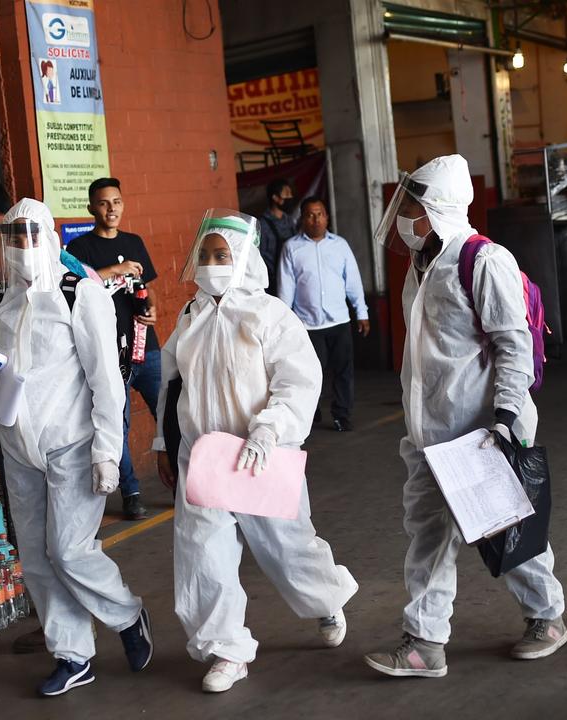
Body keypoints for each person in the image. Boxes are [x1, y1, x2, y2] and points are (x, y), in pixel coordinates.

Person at [365, 154, 567, 679]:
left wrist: (503, 419)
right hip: (431, 430)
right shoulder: (423, 263)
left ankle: (547, 616)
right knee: (429, 536)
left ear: (436, 208)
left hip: (482, 429)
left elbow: (513, 344)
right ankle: (424, 643)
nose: (403, 213)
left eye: (412, 203)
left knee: (506, 531)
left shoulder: (483, 260)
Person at [154, 209, 358, 693]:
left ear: (244, 258)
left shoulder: (270, 315)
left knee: (289, 549)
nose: (210, 263)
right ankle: (227, 650)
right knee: (203, 555)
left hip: (260, 454)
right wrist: (163, 442)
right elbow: (171, 384)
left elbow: (299, 381)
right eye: (204, 254)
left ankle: (325, 599)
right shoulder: (191, 316)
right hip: (204, 457)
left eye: (221, 254)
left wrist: (270, 430)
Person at [0, 199, 152, 697]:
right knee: (37, 559)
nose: (23, 244)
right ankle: (72, 655)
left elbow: (106, 379)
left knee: (68, 550)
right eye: (14, 235)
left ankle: (127, 615)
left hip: (71, 443)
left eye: (32, 233)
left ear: (50, 237)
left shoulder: (79, 294)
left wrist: (108, 450)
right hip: (17, 444)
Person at [65, 177, 159, 521]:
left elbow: (148, 288)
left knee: (168, 412)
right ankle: (131, 492)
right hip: (107, 354)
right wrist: (115, 271)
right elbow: (77, 287)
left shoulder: (135, 241)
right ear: (92, 208)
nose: (111, 209)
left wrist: (154, 311)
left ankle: (183, 481)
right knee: (116, 425)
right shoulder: (79, 249)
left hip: (145, 347)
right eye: (104, 203)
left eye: (116, 202)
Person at [277, 197, 370, 432]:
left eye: (320, 214)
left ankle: (342, 415)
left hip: (339, 321)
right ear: (302, 219)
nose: (316, 219)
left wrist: (362, 312)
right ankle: (310, 410)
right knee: (308, 373)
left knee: (343, 372)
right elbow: (285, 289)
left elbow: (353, 282)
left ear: (327, 217)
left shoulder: (340, 245)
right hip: (307, 325)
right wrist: (283, 324)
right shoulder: (291, 248)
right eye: (310, 214)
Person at [257, 178, 299, 295]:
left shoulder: (289, 221)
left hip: (292, 279)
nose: (290, 197)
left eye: (290, 194)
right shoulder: (262, 225)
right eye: (286, 194)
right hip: (274, 284)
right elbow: (259, 258)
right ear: (275, 198)